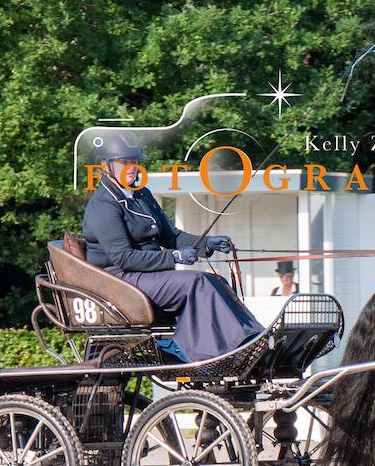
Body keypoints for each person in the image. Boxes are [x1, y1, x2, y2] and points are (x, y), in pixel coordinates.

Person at [82, 134, 263, 361]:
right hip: (121, 280)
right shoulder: (103, 205)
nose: (132, 166)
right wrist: (174, 257)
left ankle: (253, 338)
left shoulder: (141, 194)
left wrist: (205, 243)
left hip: (148, 275)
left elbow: (171, 236)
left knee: (216, 281)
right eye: (124, 162)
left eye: (135, 161)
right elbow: (124, 258)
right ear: (105, 166)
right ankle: (218, 352)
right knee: (196, 282)